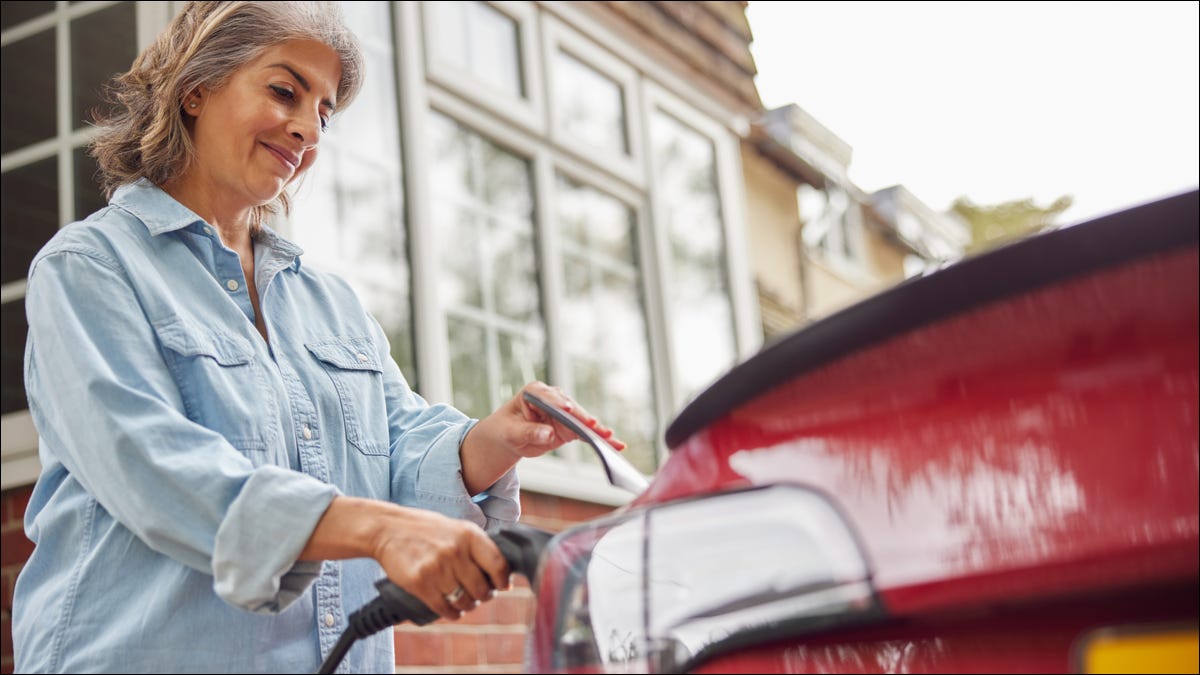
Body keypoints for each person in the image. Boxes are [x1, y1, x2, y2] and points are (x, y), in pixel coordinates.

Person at [11, 2, 625, 672]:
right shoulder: (90, 269)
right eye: (284, 91)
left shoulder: (328, 302)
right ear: (196, 89)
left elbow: (396, 446)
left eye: (325, 113)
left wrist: (489, 441)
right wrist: (379, 529)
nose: (307, 129)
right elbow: (154, 469)